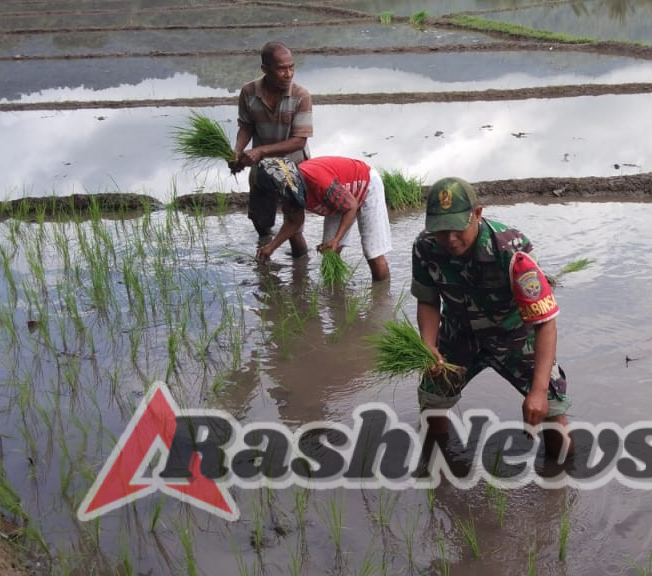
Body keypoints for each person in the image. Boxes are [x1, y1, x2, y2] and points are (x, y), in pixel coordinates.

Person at [410, 177, 572, 458]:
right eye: (441, 229)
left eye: (457, 228)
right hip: (458, 334)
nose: (449, 238)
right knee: (432, 400)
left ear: (477, 214)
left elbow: (545, 322)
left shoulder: (511, 250)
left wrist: (538, 389)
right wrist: (428, 344)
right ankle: (437, 470)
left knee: (550, 408)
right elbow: (428, 300)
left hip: (513, 335)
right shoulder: (425, 247)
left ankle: (561, 479)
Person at [231, 41, 312, 256]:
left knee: (294, 227)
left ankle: (300, 274)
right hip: (262, 169)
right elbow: (246, 126)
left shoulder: (301, 96)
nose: (289, 74)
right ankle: (265, 257)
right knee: (260, 220)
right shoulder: (248, 92)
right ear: (265, 69)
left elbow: (299, 141)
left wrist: (260, 151)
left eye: (291, 67)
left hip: (294, 168)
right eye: (282, 68)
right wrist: (237, 151)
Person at [253, 156, 392, 282]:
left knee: (373, 252)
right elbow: (294, 222)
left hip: (366, 185)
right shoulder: (291, 190)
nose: (282, 204)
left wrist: (336, 240)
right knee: (330, 254)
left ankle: (381, 299)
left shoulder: (319, 183)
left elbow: (351, 206)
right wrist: (270, 248)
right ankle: (336, 294)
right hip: (340, 198)